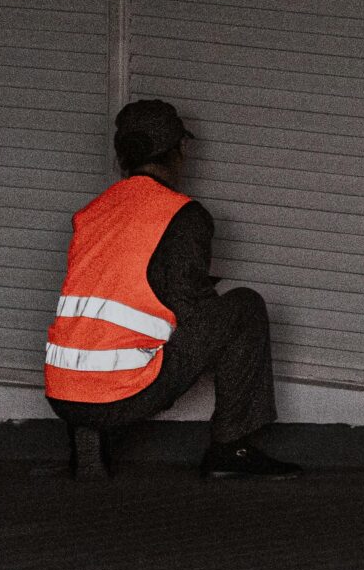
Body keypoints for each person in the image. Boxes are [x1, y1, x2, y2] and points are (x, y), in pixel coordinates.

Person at [43, 99, 298, 481]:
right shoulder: (181, 214)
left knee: (99, 338)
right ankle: (230, 449)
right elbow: (191, 308)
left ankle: (88, 452)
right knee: (244, 307)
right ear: (179, 151)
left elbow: (104, 296)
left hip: (64, 391)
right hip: (123, 393)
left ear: (121, 158)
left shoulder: (92, 212)